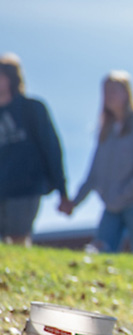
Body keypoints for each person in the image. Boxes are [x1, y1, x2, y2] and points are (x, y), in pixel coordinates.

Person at [62, 71, 133, 256]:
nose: (109, 96)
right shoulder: (105, 130)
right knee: (101, 252)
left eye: (114, 90)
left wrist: (123, 194)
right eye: (106, 91)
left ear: (127, 93)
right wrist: (75, 202)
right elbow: (94, 174)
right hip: (111, 206)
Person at [0, 53, 68, 246]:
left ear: (11, 79)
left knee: (18, 240)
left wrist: (62, 190)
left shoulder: (32, 109)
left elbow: (51, 148)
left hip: (26, 187)